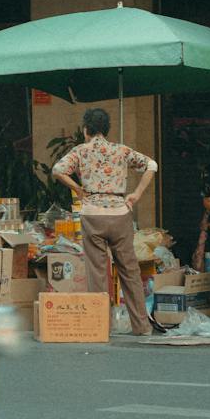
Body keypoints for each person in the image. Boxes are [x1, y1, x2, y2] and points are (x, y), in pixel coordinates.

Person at [51, 108, 160, 336]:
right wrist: (136, 194)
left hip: (92, 213)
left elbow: (58, 170)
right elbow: (151, 165)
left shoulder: (81, 151)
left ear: (85, 130)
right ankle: (142, 326)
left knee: (98, 273)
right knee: (129, 271)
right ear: (107, 129)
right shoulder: (121, 150)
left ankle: (101, 327)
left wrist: (78, 189)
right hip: (120, 213)